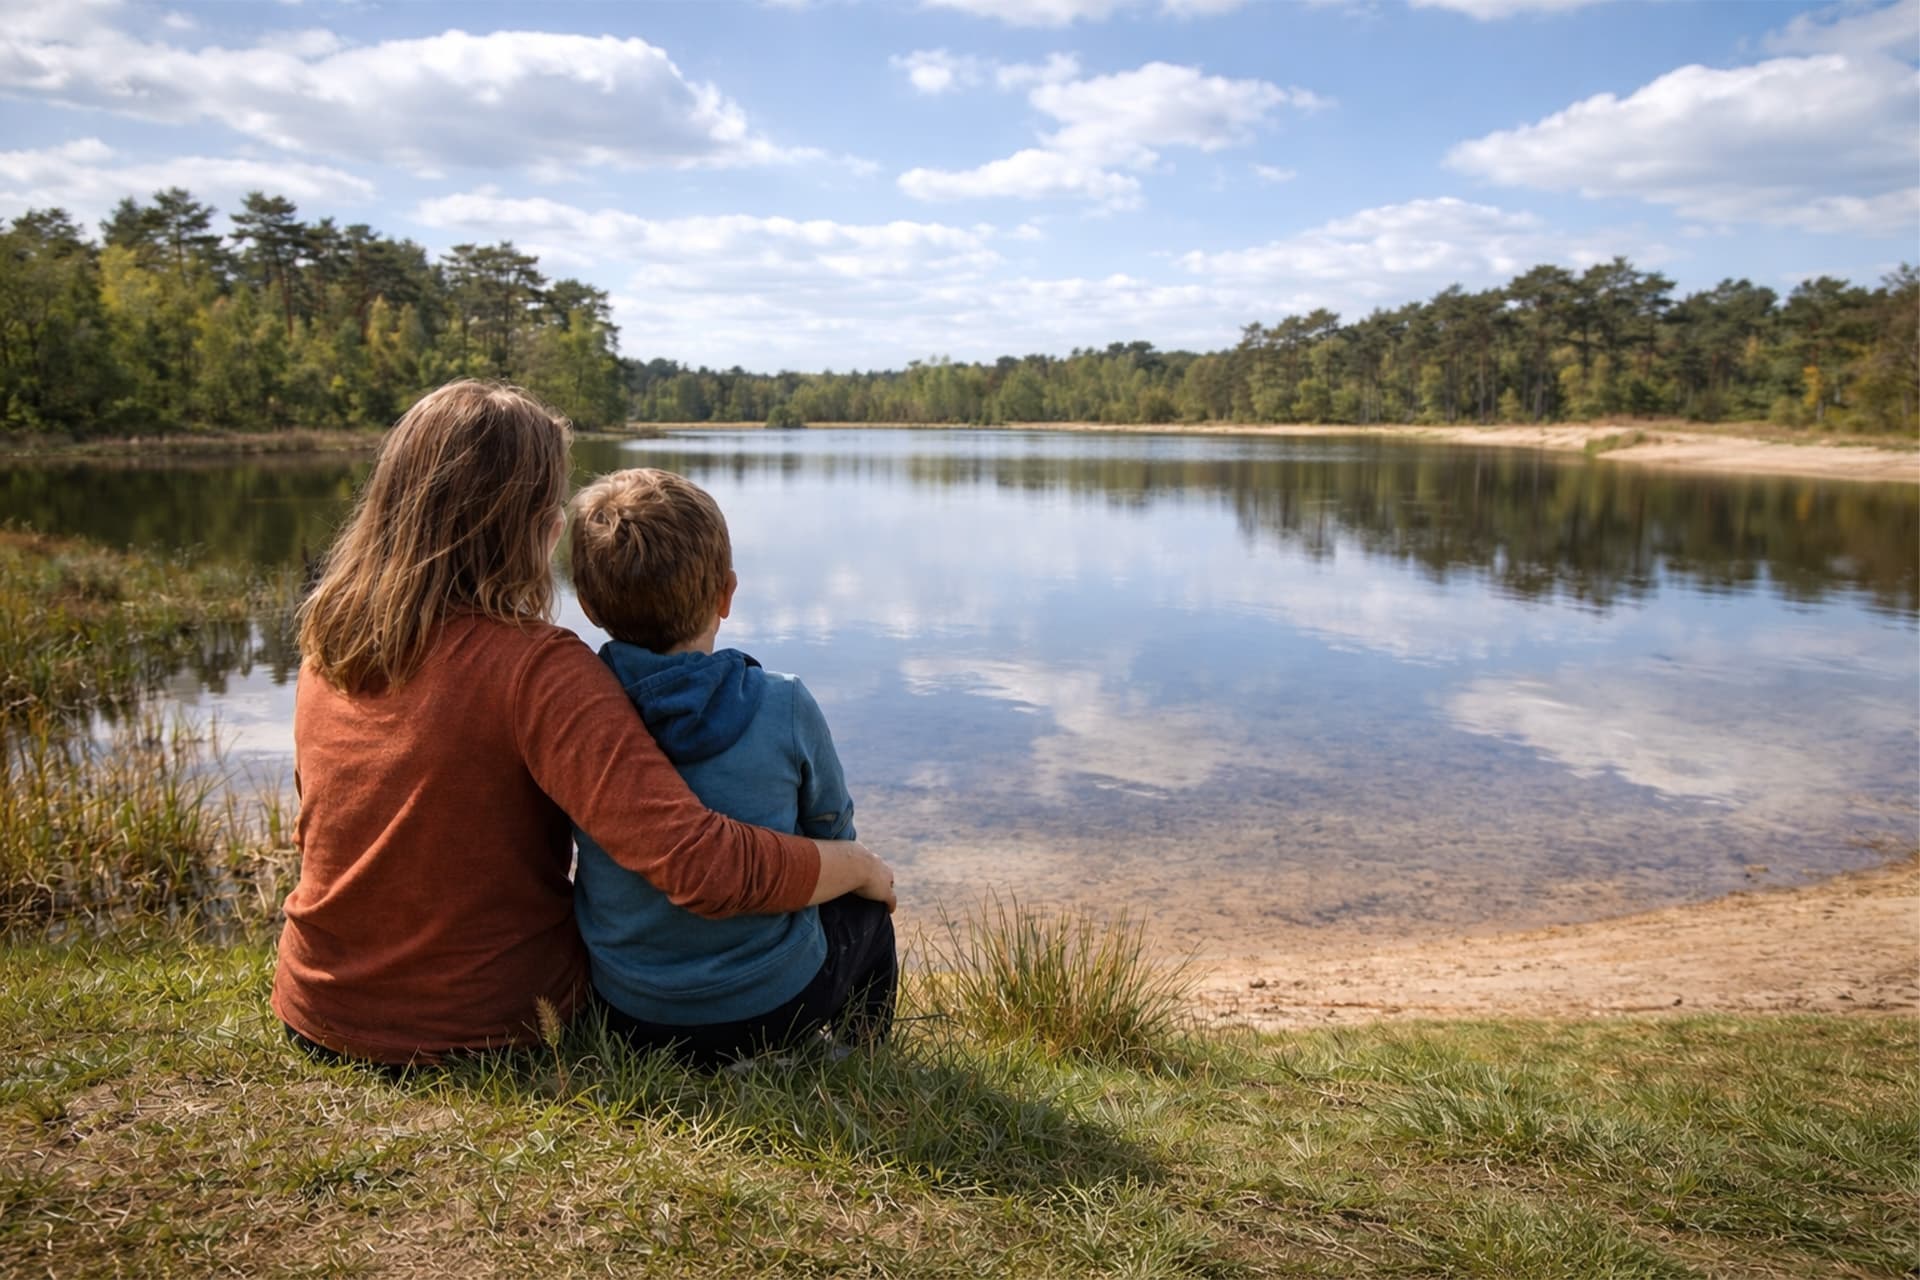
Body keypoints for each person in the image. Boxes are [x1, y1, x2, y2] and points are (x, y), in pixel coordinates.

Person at [272, 381, 895, 1067]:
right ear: (517, 523)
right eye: (549, 503)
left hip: (313, 1009)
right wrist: (854, 863)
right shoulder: (535, 669)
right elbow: (699, 866)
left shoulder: (330, 643)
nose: (558, 525)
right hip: (475, 1030)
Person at [567, 468, 896, 1066]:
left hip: (625, 1009)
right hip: (772, 1006)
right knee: (866, 901)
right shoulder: (784, 703)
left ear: (588, 607)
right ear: (727, 593)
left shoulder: (579, 713)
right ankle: (858, 1055)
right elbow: (833, 835)